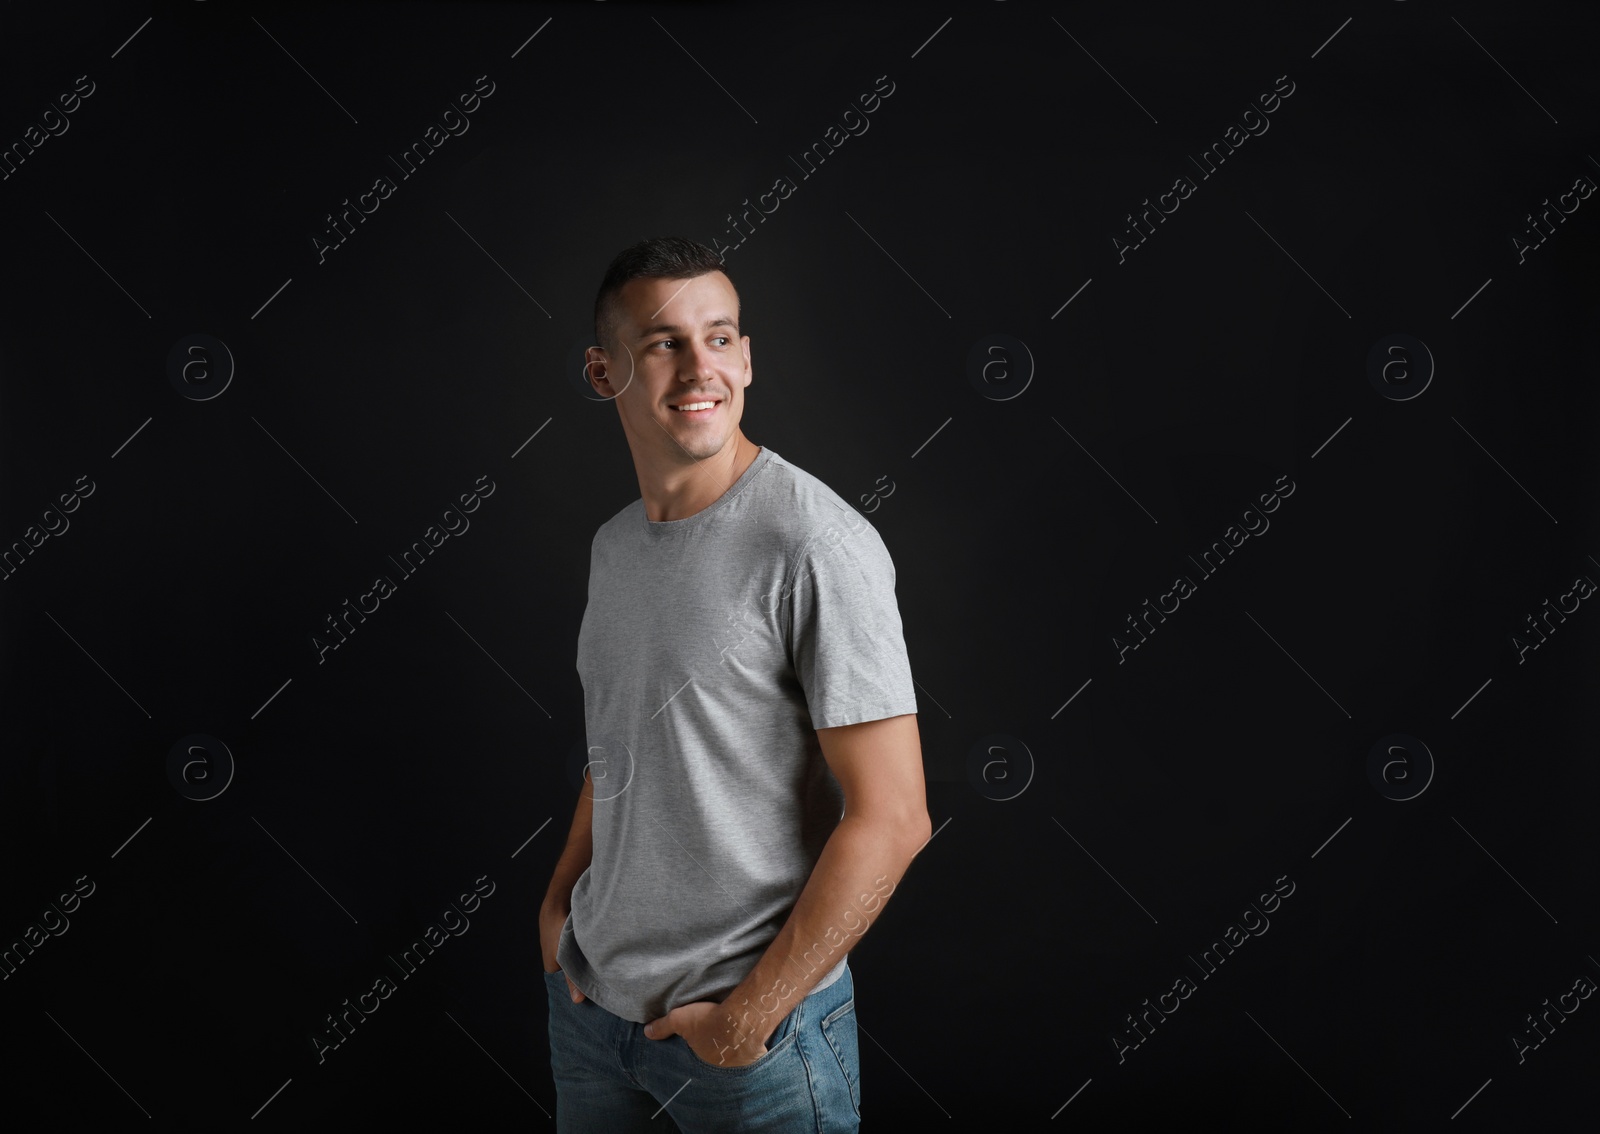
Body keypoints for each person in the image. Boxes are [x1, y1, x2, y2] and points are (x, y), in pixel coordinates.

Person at [539, 236, 931, 1132]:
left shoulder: (816, 546)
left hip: (750, 1044)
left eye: (718, 338)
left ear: (747, 359)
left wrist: (748, 1019)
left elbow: (895, 818)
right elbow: (622, 749)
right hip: (592, 1016)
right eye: (662, 342)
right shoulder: (614, 548)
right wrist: (560, 906)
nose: (697, 368)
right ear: (605, 372)